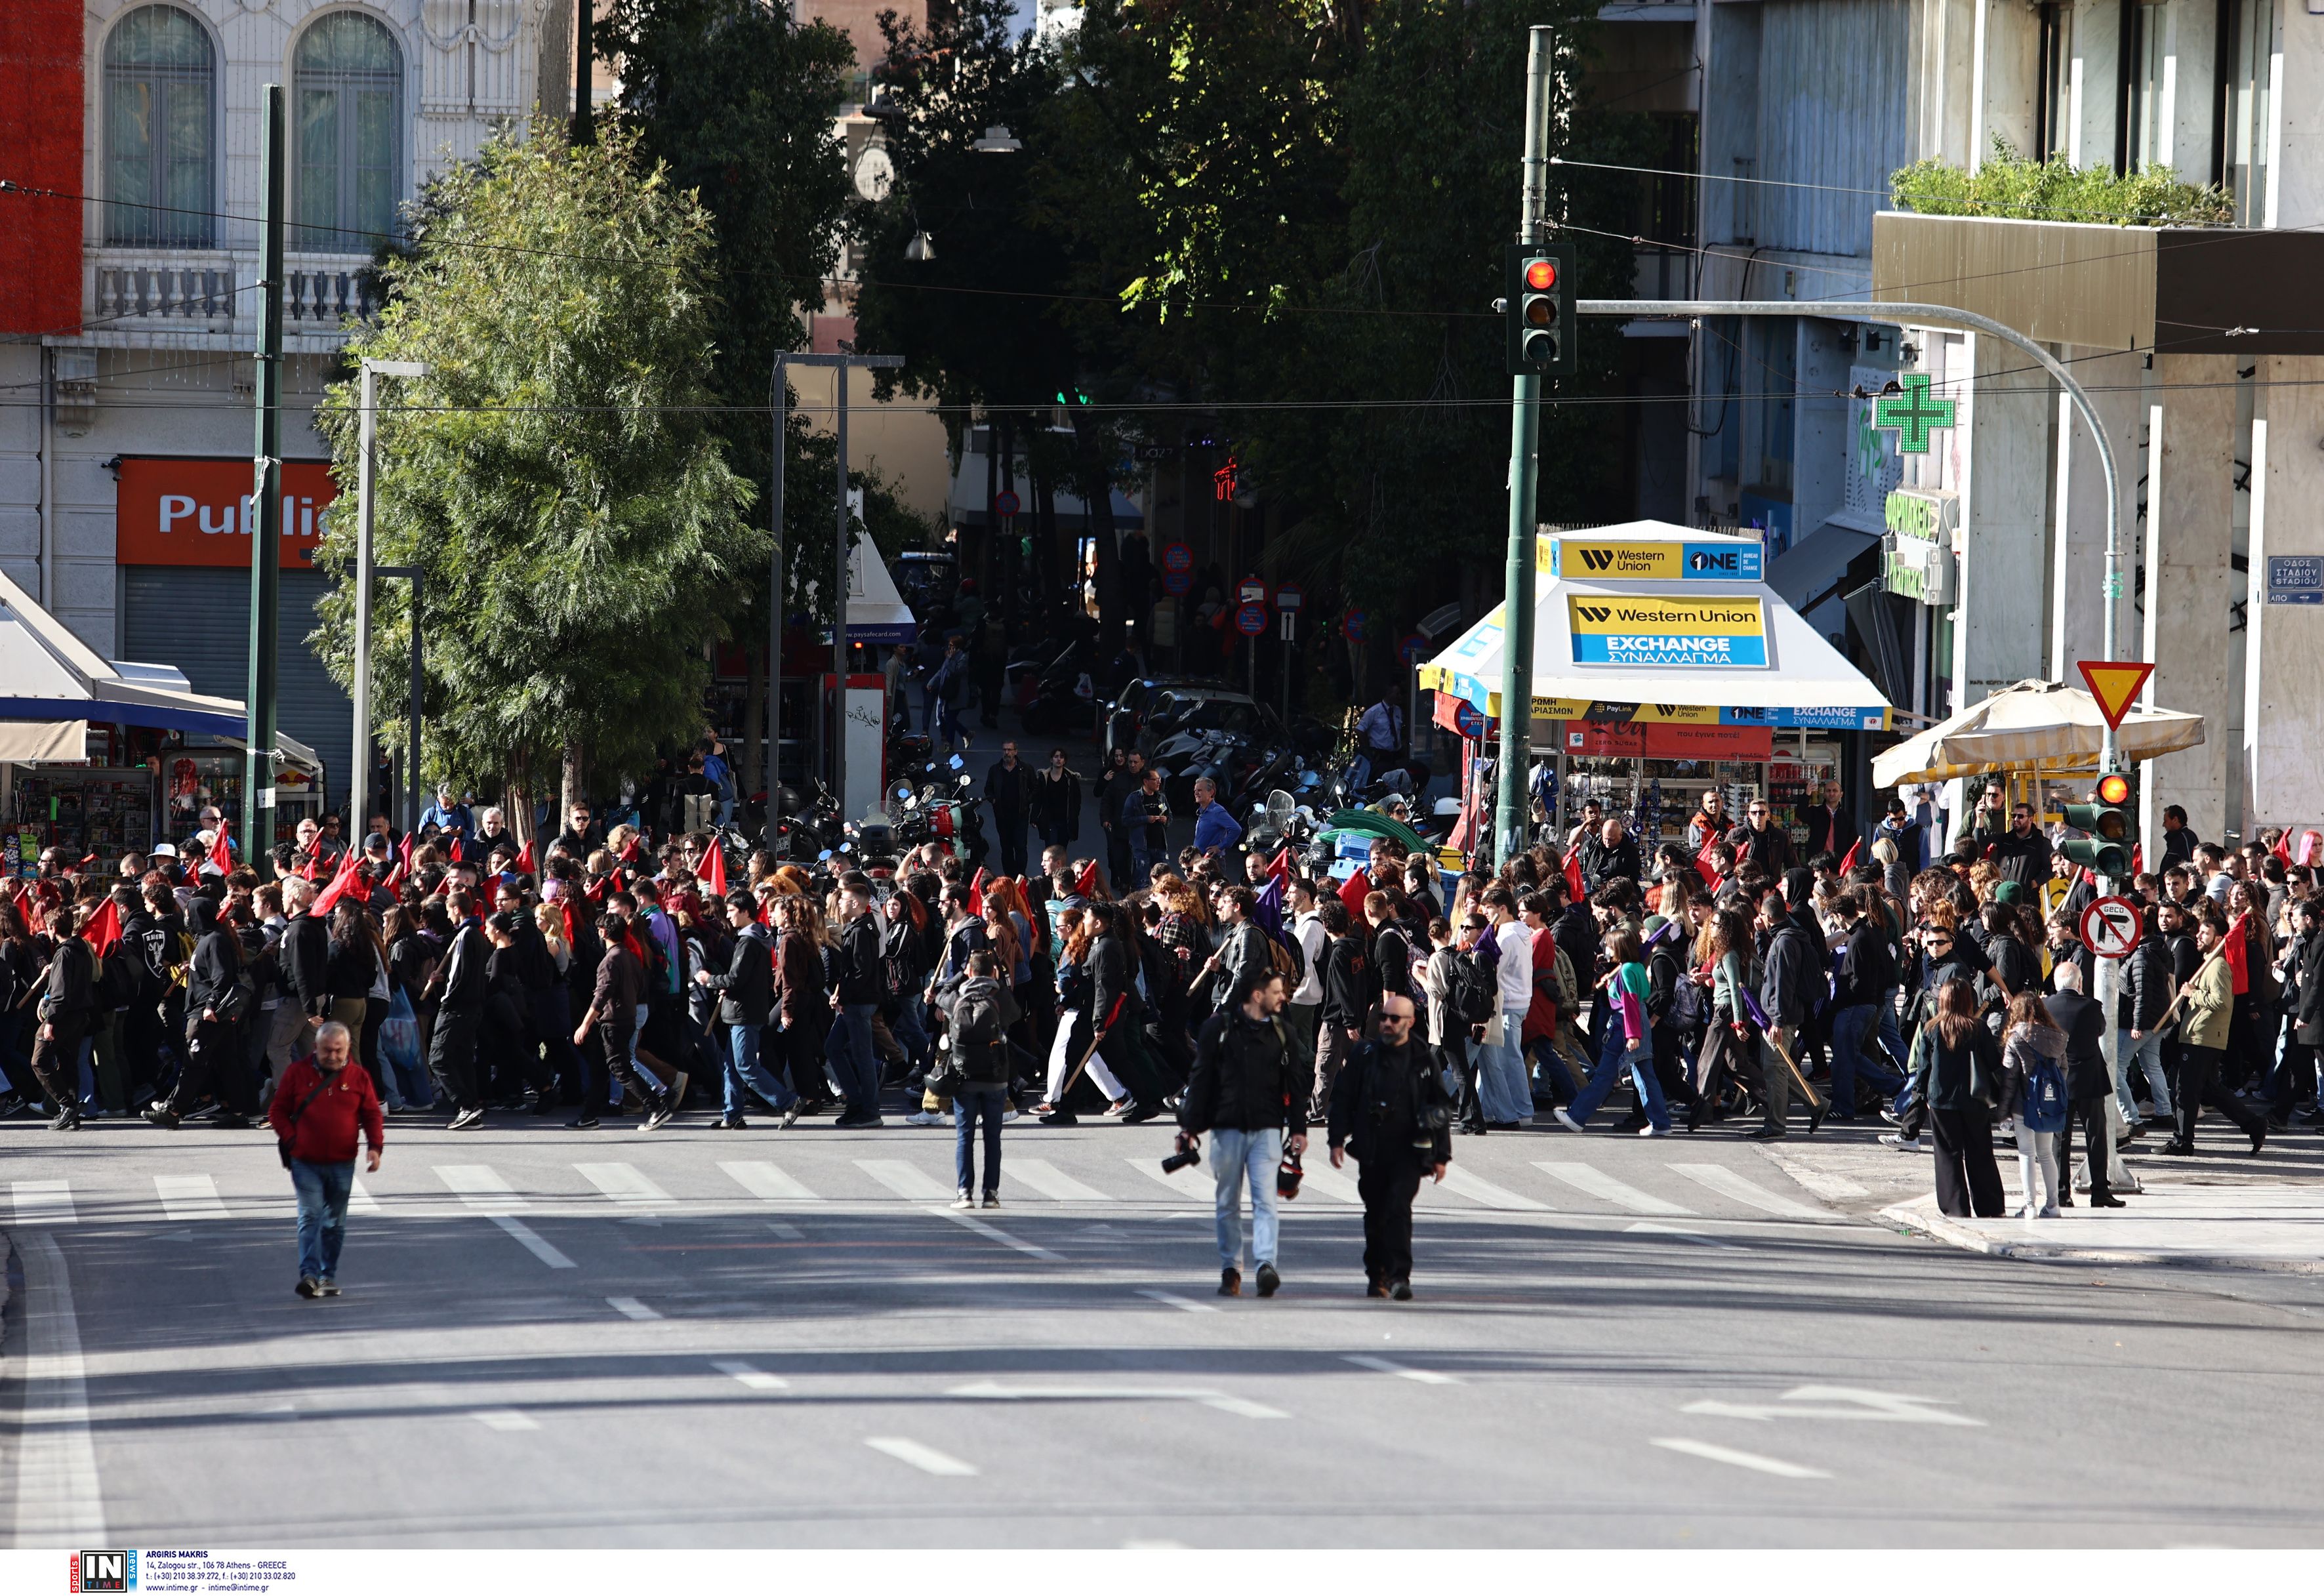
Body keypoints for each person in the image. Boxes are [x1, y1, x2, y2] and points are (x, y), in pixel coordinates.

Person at [1177, 967, 1305, 1298]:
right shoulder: (1217, 1029)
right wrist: (1189, 1127)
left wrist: (1299, 1130)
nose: (1283, 997)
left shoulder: (1283, 1032)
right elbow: (1201, 1077)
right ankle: (1231, 1270)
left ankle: (1266, 1266)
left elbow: (1295, 1082)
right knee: (1228, 1202)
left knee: (1266, 1201)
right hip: (1227, 1129)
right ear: (1256, 995)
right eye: (1277, 992)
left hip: (1267, 1129)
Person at [1327, 993, 1450, 1301]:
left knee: (1398, 1207)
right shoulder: (1364, 1054)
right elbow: (1342, 1097)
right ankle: (1376, 1274)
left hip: (1410, 1151)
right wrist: (1336, 1140)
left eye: (1395, 1019)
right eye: (1384, 1017)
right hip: (1372, 1147)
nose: (1387, 1023)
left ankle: (1399, 1276)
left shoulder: (1423, 1057)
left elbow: (1439, 1109)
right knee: (1376, 1214)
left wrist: (1441, 1156)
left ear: (1410, 1022)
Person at [268, 1021, 383, 1299]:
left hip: (342, 1163)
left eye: (338, 1051)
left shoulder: (359, 1077)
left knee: (334, 1224)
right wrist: (293, 1140)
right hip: (305, 1161)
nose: (332, 1056)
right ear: (315, 1047)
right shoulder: (297, 1073)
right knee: (310, 1215)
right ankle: (308, 1275)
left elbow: (371, 1114)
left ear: (348, 1049)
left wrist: (375, 1147)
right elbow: (277, 1111)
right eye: (326, 1051)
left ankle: (326, 1276)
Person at [2164, 912, 2269, 1156]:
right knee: (2211, 1089)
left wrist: (2193, 994)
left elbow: (2222, 1001)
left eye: (2205, 932)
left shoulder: (2219, 965)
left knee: (2186, 1090)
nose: (2199, 936)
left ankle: (2182, 1142)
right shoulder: (2208, 962)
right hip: (2202, 1035)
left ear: (2219, 938)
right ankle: (2254, 1124)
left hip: (2203, 1036)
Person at [1907, 978, 2007, 1218]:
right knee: (1981, 1152)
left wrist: (1921, 1094)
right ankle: (1990, 1206)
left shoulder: (1931, 1028)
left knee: (1948, 1154)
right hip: (1974, 1098)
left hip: (1941, 1099)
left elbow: (1924, 1068)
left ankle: (1956, 1207)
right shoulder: (1978, 1027)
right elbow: (1994, 1062)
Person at [696, 890, 782, 1130]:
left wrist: (710, 980)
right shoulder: (757, 938)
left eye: (733, 911)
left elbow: (736, 979)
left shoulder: (748, 941)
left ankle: (787, 1102)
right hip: (745, 1008)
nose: (729, 916)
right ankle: (731, 1115)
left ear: (745, 912)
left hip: (744, 1012)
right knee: (731, 1066)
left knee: (745, 1065)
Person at [941, 951, 1020, 1208]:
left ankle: (964, 1193)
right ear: (994, 972)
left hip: (964, 1077)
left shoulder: (956, 999)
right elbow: (1018, 1014)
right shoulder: (1002, 999)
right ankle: (991, 1195)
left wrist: (958, 977)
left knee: (965, 1137)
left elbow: (940, 993)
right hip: (996, 1076)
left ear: (970, 972)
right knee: (992, 1138)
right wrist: (1002, 984)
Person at [985, 741, 1038, 878]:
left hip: (1020, 815)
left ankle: (1021, 876)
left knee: (1020, 847)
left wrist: (1027, 800)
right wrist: (993, 799)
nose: (1007, 753)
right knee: (1006, 848)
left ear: (1016, 752)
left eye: (1010, 750)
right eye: (1004, 750)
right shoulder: (995, 769)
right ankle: (1009, 877)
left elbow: (1035, 787)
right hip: (1002, 816)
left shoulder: (1026, 769)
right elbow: (988, 788)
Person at [1029, 748, 1082, 857]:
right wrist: (1034, 817)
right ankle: (1048, 874)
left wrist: (1074, 816)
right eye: (1056, 757)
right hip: (1050, 820)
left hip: (1065, 821)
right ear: (1051, 759)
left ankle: (1060, 874)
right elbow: (1038, 798)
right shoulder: (1044, 778)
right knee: (1051, 851)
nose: (1059, 759)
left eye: (1061, 757)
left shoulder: (1071, 779)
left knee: (1061, 852)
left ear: (1065, 761)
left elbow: (1077, 800)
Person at [1124, 767, 1170, 885]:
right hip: (1142, 847)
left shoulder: (1161, 797)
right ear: (1146, 782)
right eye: (1155, 780)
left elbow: (1169, 815)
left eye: (1159, 779)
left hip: (1160, 846)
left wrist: (1166, 820)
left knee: (1163, 881)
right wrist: (1146, 819)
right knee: (1142, 882)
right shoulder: (1134, 798)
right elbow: (1126, 820)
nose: (1159, 782)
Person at [1726, 799, 1795, 872]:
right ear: (1749, 815)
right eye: (1754, 813)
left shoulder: (1780, 836)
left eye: (1762, 812)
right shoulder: (1736, 834)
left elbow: (1792, 863)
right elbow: (1725, 861)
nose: (1758, 816)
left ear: (1768, 815)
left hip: (1771, 881)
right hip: (1744, 881)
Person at [1191, 775, 1242, 857]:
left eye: (1200, 790)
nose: (1196, 793)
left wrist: (1220, 847)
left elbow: (1236, 829)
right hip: (1200, 858)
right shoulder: (1202, 810)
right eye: (1195, 791)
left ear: (1211, 792)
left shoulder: (1217, 811)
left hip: (1212, 860)